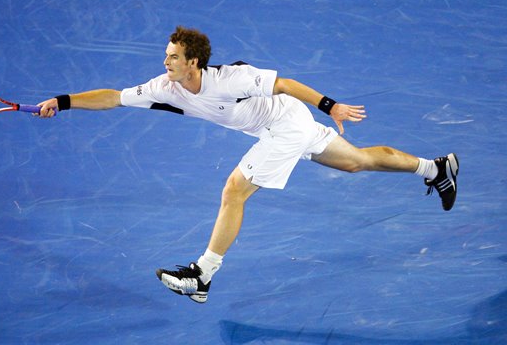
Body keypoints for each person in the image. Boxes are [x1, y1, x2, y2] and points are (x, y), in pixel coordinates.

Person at [37, 26, 459, 304]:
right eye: (165, 56)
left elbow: (286, 84)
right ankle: (435, 168)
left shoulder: (229, 80)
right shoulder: (163, 87)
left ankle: (202, 275)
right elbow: (113, 95)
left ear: (194, 63)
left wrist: (331, 107)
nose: (165, 63)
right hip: (273, 125)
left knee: (234, 190)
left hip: (286, 122)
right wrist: (64, 101)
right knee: (356, 162)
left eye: (172, 57)